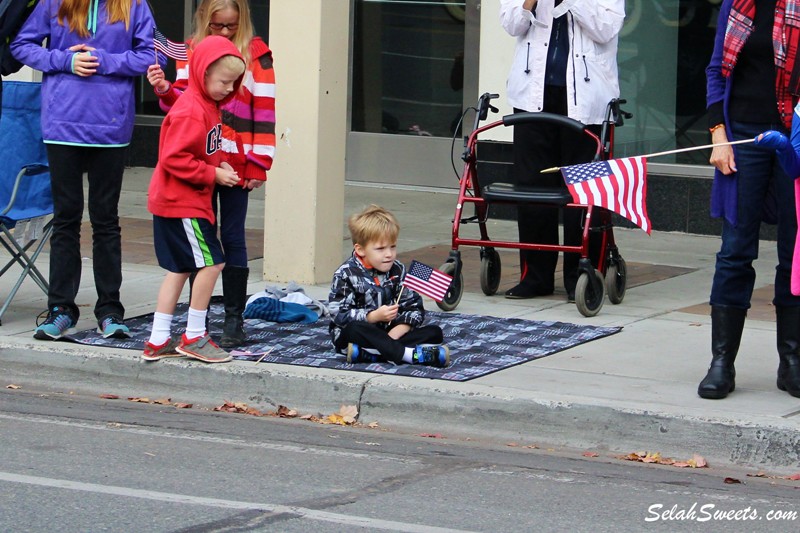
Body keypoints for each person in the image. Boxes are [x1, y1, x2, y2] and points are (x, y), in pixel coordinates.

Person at [11, 0, 157, 340]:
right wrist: (66, 60)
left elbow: (152, 54)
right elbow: (21, 45)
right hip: (62, 125)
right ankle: (61, 309)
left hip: (111, 128)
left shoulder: (135, 4)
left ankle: (110, 310)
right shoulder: (53, 2)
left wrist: (105, 60)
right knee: (66, 219)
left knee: (106, 219)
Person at [145, 0, 275, 349]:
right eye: (217, 25)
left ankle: (232, 319)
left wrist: (259, 161)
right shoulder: (193, 54)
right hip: (201, 171)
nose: (224, 32)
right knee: (201, 253)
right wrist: (163, 89)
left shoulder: (258, 55)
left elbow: (264, 110)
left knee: (230, 238)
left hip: (234, 163)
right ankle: (194, 327)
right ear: (205, 20)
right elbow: (187, 104)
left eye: (231, 26)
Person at [700, 0, 800, 399]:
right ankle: (722, 363)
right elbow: (715, 71)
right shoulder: (735, 4)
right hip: (742, 138)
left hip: (793, 137)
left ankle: (791, 361)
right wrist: (718, 136)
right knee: (735, 251)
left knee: (794, 254)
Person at [499, 0, 624, 301]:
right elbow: (511, 23)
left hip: (589, 103)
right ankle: (536, 277)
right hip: (532, 97)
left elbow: (606, 29)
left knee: (585, 192)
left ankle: (582, 275)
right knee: (532, 186)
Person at [142, 35, 246, 363]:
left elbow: (202, 151)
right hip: (183, 201)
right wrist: (212, 175)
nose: (229, 89)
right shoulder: (192, 109)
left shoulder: (207, 105)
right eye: (224, 82)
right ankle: (195, 335)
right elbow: (174, 158)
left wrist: (218, 164)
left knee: (180, 268)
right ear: (202, 75)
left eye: (234, 83)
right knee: (213, 262)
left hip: (179, 201)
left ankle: (159, 338)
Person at [328, 205, 450, 367]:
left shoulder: (398, 269)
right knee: (353, 329)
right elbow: (338, 315)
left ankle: (372, 354)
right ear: (360, 249)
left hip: (390, 333)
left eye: (393, 246)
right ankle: (407, 355)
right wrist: (373, 316)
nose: (389, 254)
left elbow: (415, 309)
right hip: (360, 333)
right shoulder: (346, 274)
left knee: (435, 332)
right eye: (380, 249)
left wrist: (398, 330)